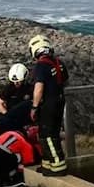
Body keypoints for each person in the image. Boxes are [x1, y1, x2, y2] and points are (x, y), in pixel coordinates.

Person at [29, 35, 70, 176]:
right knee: (48, 133)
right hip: (59, 101)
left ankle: (58, 166)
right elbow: (65, 79)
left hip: (48, 104)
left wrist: (34, 107)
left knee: (48, 135)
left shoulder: (41, 66)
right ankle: (47, 164)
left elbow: (39, 88)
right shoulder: (58, 62)